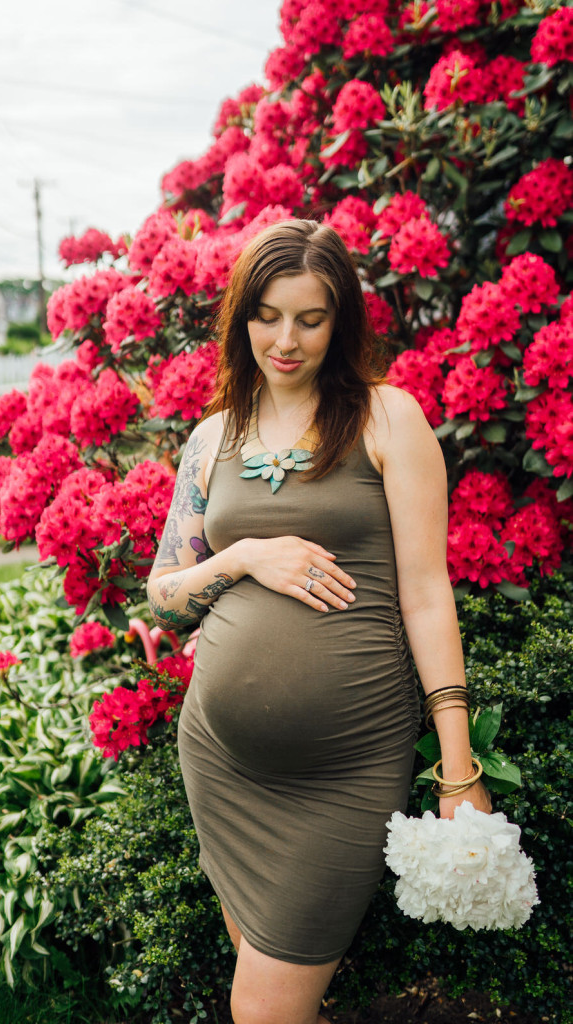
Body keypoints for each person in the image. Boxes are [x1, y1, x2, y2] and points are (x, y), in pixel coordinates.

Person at [146, 219, 491, 1024]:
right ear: (241, 318)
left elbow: (426, 593)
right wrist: (241, 558)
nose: (285, 339)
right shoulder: (211, 440)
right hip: (221, 763)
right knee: (277, 1001)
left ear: (342, 319)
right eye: (266, 315)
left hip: (344, 772)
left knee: (262, 1009)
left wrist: (457, 763)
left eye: (310, 317)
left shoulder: (386, 420)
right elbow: (163, 591)